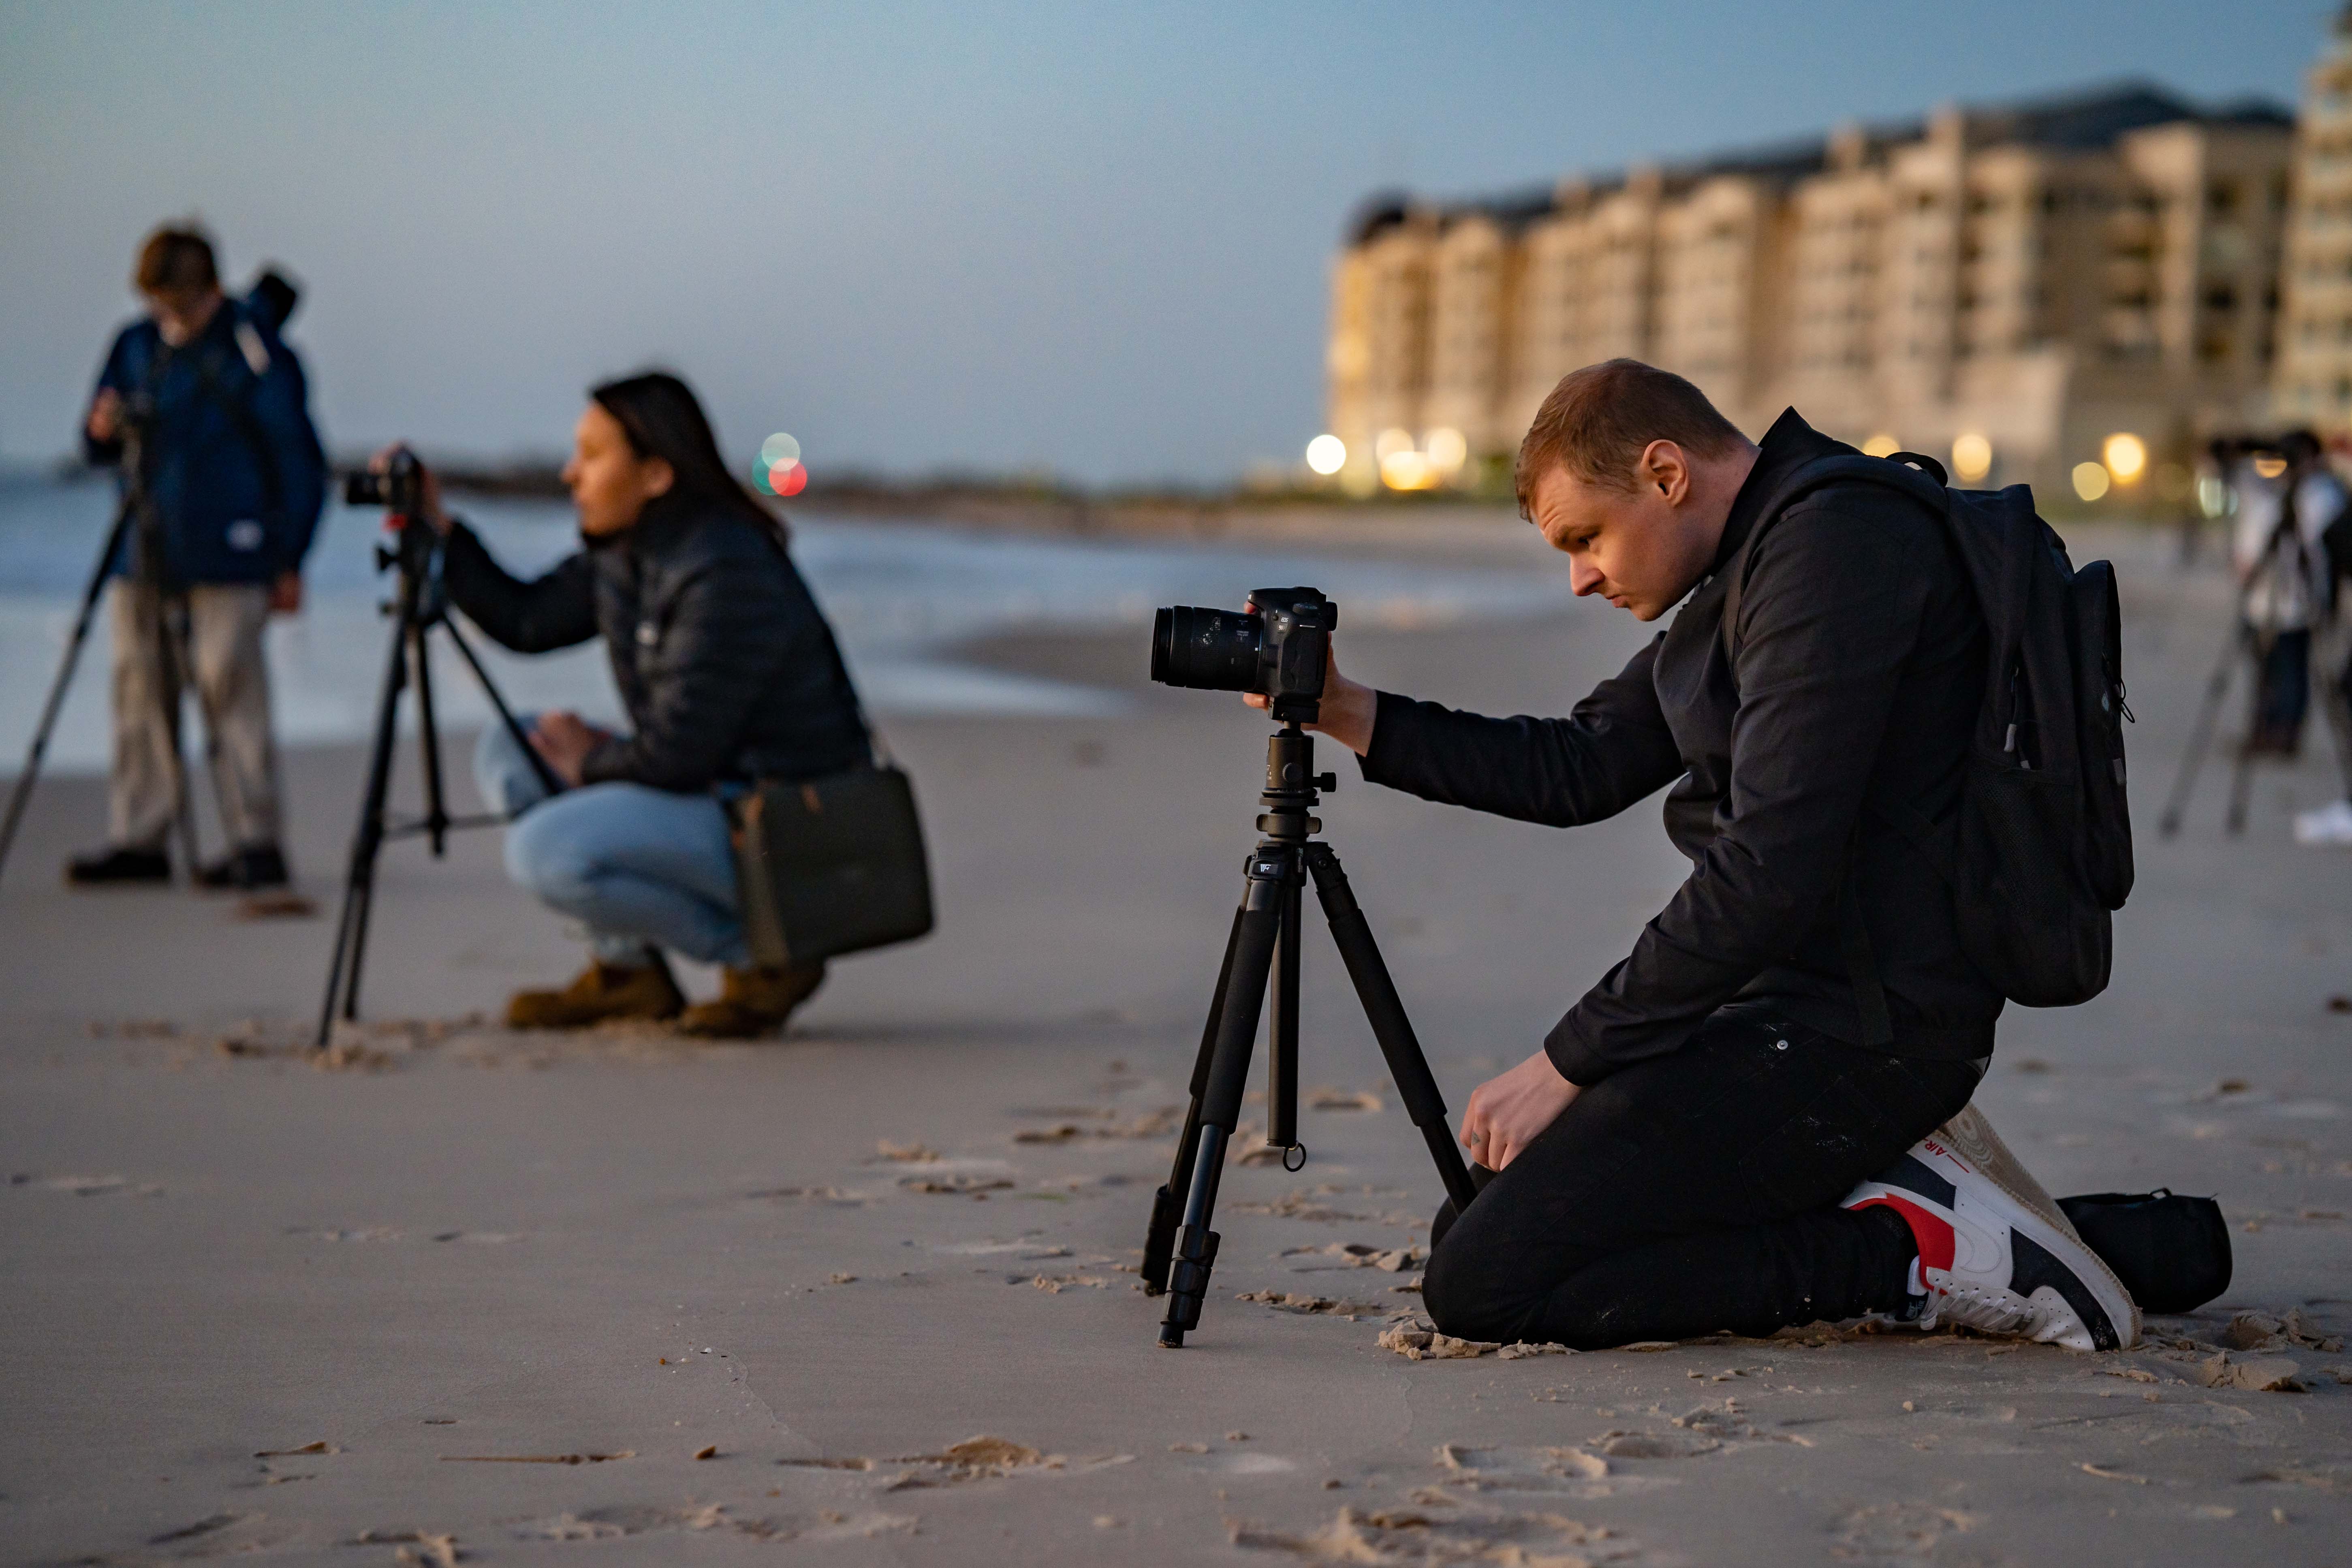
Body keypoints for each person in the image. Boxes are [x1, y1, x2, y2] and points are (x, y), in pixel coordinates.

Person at [1263, 360, 2135, 1352]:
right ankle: (1973, 1209)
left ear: (1666, 472)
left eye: (1585, 536)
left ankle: (1909, 1251)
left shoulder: (1836, 548)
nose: (1580, 575)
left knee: (1487, 1280)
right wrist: (1346, 709)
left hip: (1867, 1028)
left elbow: (1770, 867)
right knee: (1475, 1223)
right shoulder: (1759, 559)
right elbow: (1578, 764)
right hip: (1780, 1006)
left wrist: (1566, 1060)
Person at [391, 372, 867, 1038]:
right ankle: (628, 977)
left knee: (546, 853)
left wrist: (590, 762)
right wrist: (441, 530)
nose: (569, 474)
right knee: (512, 750)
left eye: (591, 456)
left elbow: (678, 754)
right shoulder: (633, 552)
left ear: (655, 475)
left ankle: (766, 957)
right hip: (714, 792)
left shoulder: (724, 570)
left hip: (784, 823)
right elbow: (528, 618)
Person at [66, 224, 327, 890]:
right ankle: (141, 837)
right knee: (139, 692)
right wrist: (101, 433)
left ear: (211, 290)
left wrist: (290, 558)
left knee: (231, 686)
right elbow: (96, 448)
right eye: (158, 305)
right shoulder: (135, 346)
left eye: (179, 305)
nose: (168, 319)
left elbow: (299, 462)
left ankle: (255, 839)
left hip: (235, 552)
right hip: (146, 549)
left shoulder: (257, 352)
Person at [2230, 429, 2341, 761]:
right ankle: (2264, 729)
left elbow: (2313, 544)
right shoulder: (2272, 497)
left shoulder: (2322, 495)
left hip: (2297, 605)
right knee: (2265, 669)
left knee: (2291, 670)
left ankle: (2284, 735)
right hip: (2262, 605)